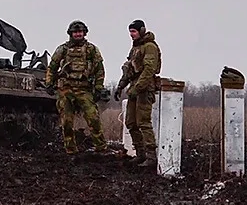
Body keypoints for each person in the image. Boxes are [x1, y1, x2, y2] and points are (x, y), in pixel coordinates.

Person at [44, 20, 110, 155]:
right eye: (75, 32)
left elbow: (99, 70)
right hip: (66, 89)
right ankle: (71, 150)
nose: (78, 34)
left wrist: (98, 88)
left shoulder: (91, 49)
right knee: (67, 122)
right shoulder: (62, 49)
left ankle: (101, 148)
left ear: (84, 33)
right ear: (71, 33)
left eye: (80, 32)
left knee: (93, 119)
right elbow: (52, 67)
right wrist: (49, 84)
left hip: (84, 89)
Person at [114, 19, 162, 167]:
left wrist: (137, 88)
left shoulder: (149, 47)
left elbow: (149, 70)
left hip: (145, 88)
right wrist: (121, 86)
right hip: (134, 88)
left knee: (144, 122)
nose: (131, 35)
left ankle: (151, 157)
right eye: (130, 32)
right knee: (130, 122)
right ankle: (140, 154)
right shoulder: (136, 48)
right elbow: (129, 70)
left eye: (134, 31)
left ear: (141, 30)